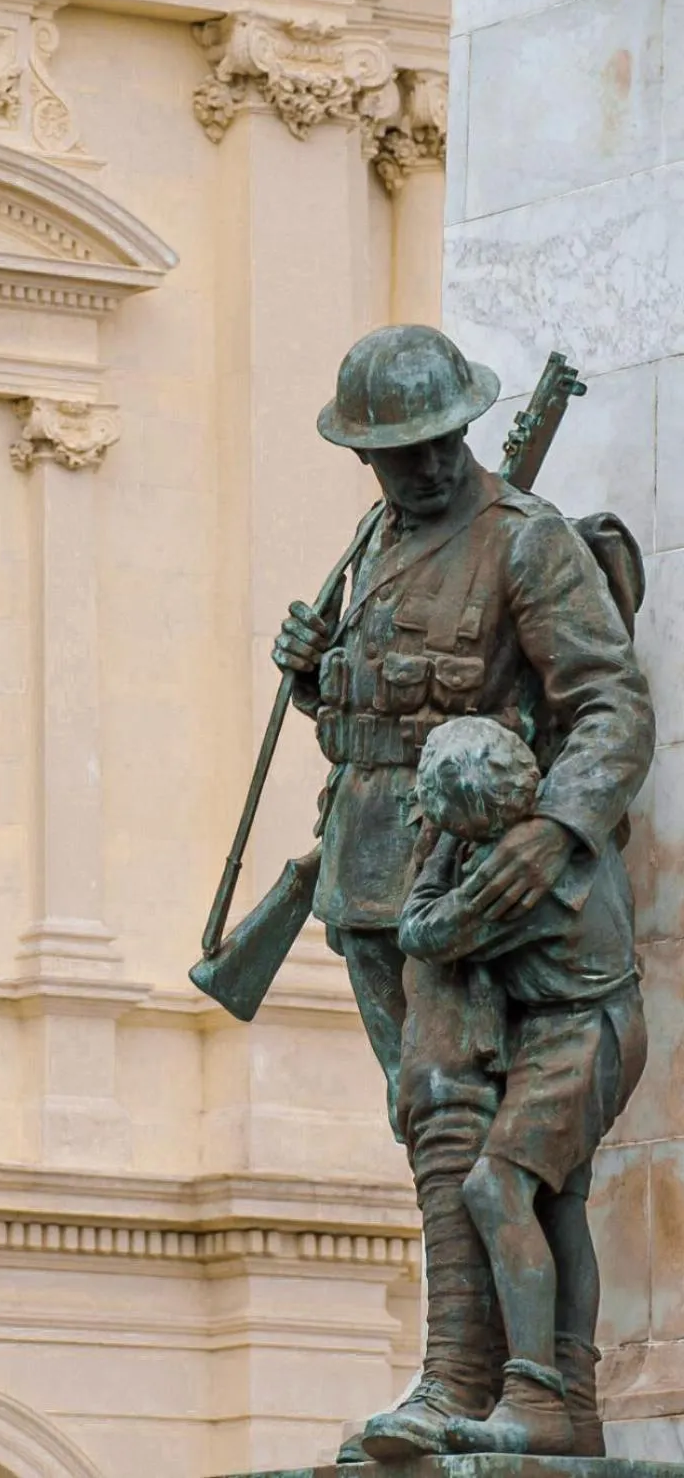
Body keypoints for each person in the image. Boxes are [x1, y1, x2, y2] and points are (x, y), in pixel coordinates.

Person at [272, 324, 655, 1456]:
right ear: (367, 459)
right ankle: (475, 1381)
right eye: (403, 452)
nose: (430, 466)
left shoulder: (525, 544)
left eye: (442, 442)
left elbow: (609, 706)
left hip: (466, 883)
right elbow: (375, 714)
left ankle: (463, 1380)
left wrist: (558, 830)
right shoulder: (374, 541)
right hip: (365, 878)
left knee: (456, 1128)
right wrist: (313, 681)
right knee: (425, 1127)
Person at [396, 716, 646, 1455]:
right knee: (557, 1203)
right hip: (587, 1027)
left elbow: (422, 931)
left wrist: (440, 847)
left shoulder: (516, 883)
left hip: (578, 1036)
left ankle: (534, 1393)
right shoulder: (563, 832)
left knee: (494, 1189)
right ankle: (573, 1398)